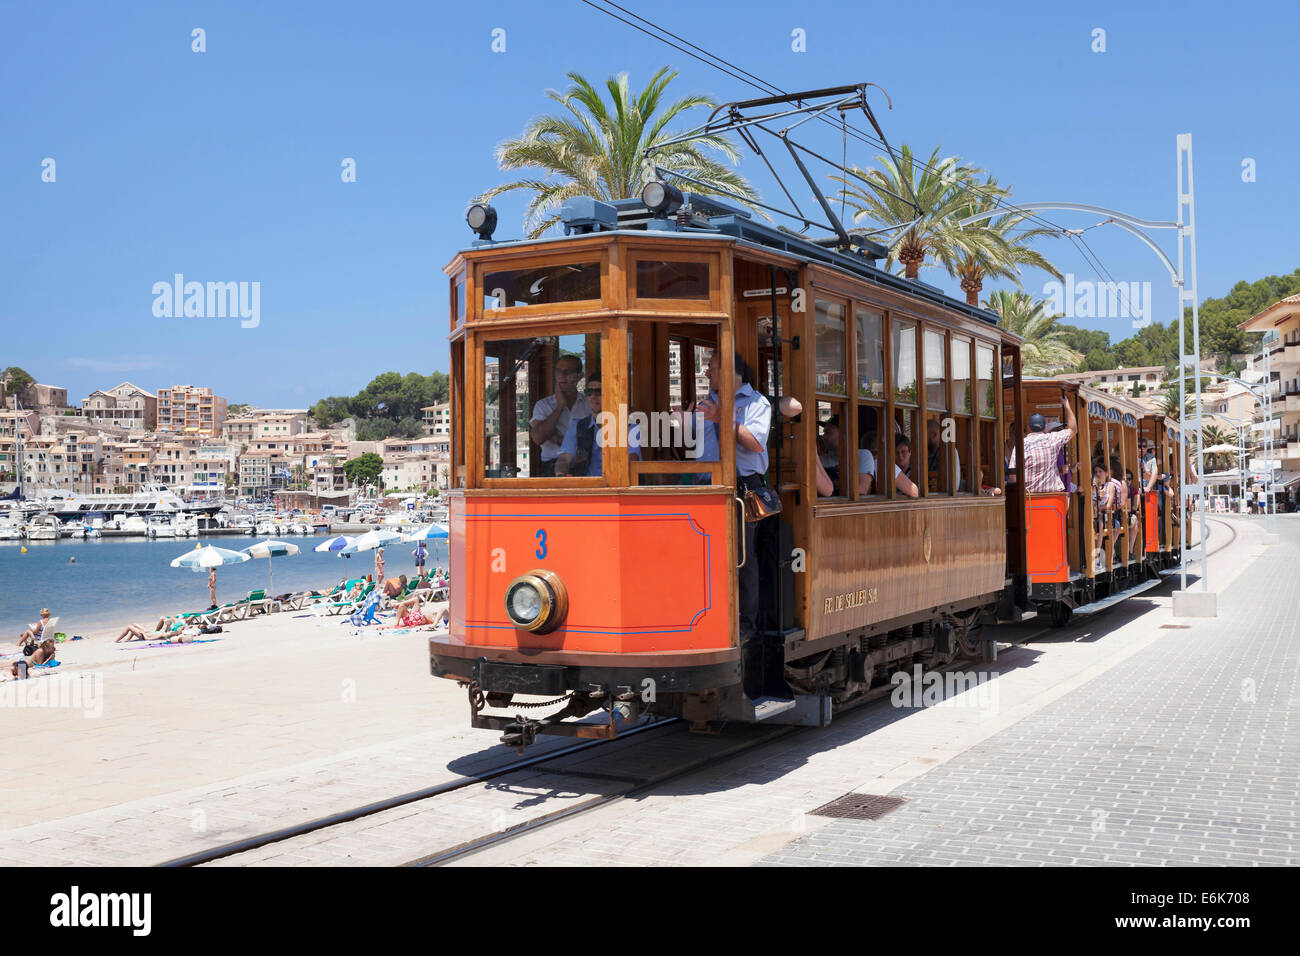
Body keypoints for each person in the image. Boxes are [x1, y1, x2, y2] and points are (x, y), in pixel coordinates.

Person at [692, 350, 774, 698]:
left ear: (730, 371)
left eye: (711, 364)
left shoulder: (756, 403)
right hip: (704, 488)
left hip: (743, 489)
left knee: (743, 561)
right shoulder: (707, 402)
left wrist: (721, 417)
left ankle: (745, 627)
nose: (706, 369)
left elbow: (755, 444)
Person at [555, 378, 641, 477]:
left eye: (599, 392)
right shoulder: (577, 425)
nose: (593, 396)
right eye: (589, 392)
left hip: (616, 487)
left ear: (611, 395)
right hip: (587, 488)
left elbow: (632, 459)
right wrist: (561, 475)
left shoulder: (629, 427)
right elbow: (564, 458)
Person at [529, 354, 590, 477]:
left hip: (584, 466)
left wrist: (556, 438)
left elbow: (592, 440)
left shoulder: (588, 404)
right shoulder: (543, 405)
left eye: (568, 372)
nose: (562, 376)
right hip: (551, 466)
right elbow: (538, 437)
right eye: (558, 371)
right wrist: (560, 406)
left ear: (580, 376)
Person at [1011, 402, 1077, 492]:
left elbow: (1013, 475)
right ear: (1045, 427)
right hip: (1053, 498)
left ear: (1029, 428)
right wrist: (1067, 406)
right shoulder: (1052, 439)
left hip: (1029, 499)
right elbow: (1073, 429)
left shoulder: (1020, 445)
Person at [926, 417, 961, 492]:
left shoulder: (948, 452)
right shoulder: (926, 453)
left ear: (934, 435)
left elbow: (953, 485)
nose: (920, 438)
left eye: (924, 434)